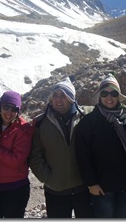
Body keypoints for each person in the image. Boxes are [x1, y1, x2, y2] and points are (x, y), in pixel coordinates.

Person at [28, 77, 94, 218]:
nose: (58, 100)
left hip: (83, 188)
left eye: (63, 95)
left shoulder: (85, 118)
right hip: (55, 191)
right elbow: (35, 155)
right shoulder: (41, 123)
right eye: (55, 96)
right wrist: (49, 178)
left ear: (71, 98)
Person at [75, 73, 126, 218]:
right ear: (99, 96)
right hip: (102, 186)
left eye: (113, 93)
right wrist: (91, 183)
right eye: (105, 93)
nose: (109, 97)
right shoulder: (88, 122)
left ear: (118, 96)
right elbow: (82, 155)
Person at [0, 91, 34, 218]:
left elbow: (15, 160)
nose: (9, 113)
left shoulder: (23, 129)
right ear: (0, 107)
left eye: (14, 109)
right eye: (6, 107)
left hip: (15, 187)